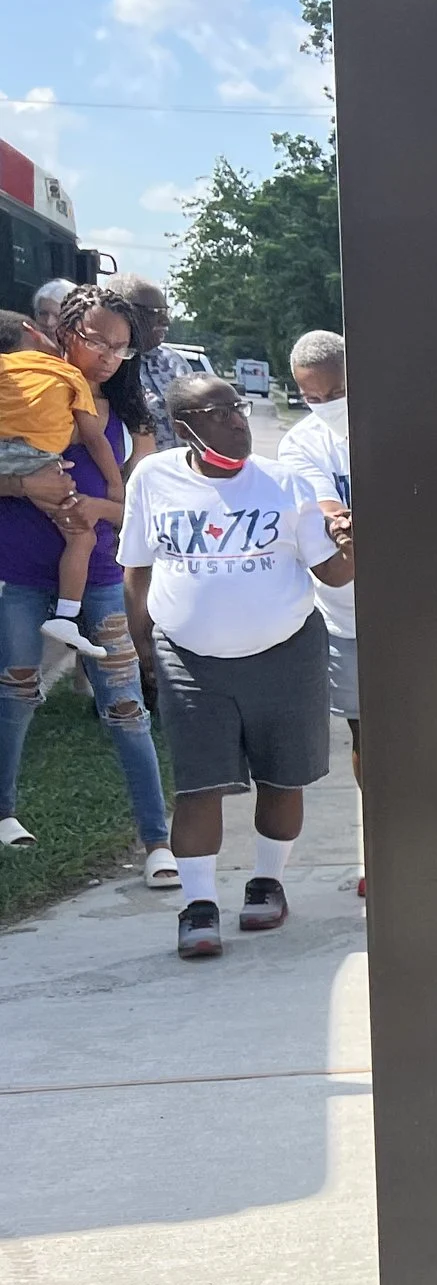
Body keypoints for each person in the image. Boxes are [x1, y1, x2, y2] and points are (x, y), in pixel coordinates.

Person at [121, 374, 353, 959]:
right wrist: (142, 642)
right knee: (199, 786)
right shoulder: (154, 477)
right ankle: (197, 906)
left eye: (238, 407)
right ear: (184, 427)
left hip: (285, 652)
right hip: (190, 661)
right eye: (217, 411)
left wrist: (352, 540)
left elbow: (335, 573)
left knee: (283, 777)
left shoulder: (284, 482)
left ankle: (267, 883)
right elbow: (137, 566)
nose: (236, 420)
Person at [0, 286, 173, 880]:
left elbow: (145, 515)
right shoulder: (17, 387)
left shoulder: (131, 417)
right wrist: (25, 488)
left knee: (127, 711)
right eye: (96, 339)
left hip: (100, 579)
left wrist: (99, 510)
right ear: (65, 328)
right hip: (21, 575)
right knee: (14, 697)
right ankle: (5, 815)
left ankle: (157, 843)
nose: (106, 355)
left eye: (120, 348)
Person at [277, 329, 361, 895]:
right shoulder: (300, 444)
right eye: (313, 395)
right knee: (367, 737)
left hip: (422, 610)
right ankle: (380, 848)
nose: (327, 404)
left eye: (338, 390)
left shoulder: (402, 416)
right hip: (348, 616)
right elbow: (331, 519)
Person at [0, 309, 124, 658]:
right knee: (81, 536)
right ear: (35, 333)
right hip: (36, 459)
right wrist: (115, 484)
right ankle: (67, 616)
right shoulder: (65, 373)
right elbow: (95, 438)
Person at [103, 273, 177, 447]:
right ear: (123, 310)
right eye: (155, 313)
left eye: (166, 311)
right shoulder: (105, 363)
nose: (165, 320)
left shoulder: (174, 361)